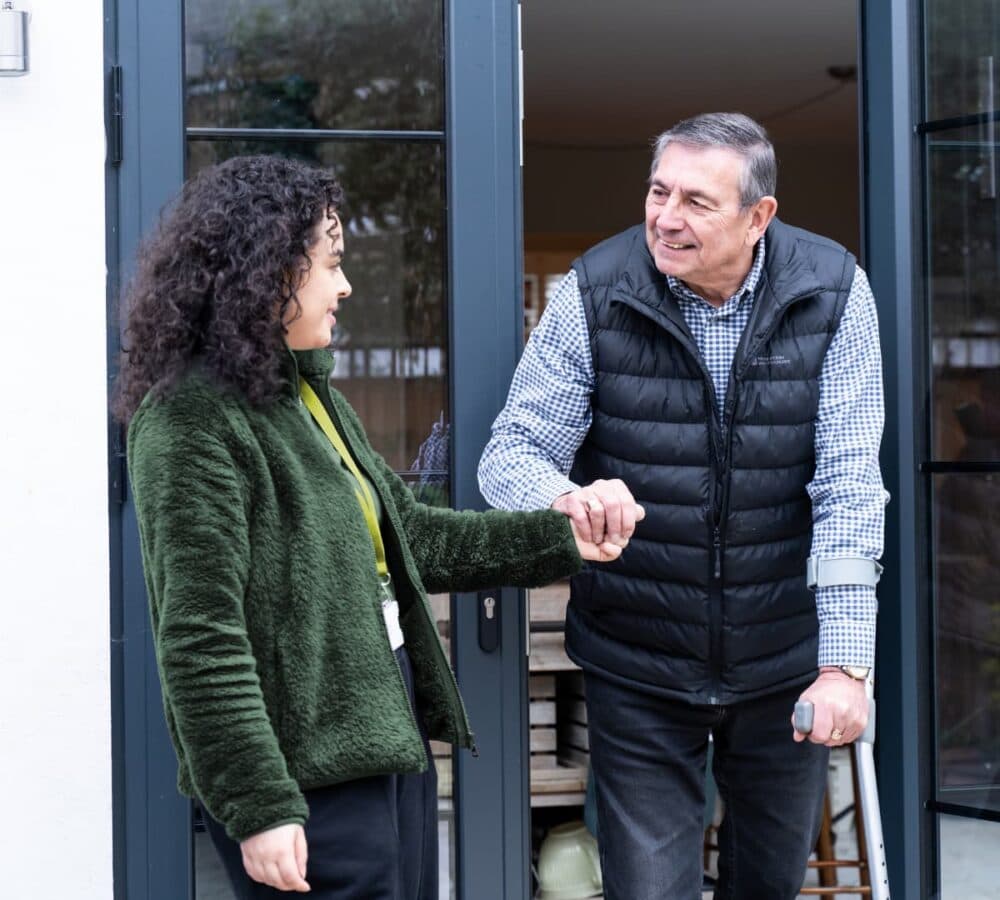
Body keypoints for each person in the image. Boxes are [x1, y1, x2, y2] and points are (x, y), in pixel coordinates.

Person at [114, 154, 629, 899]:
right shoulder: (190, 417)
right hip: (306, 776)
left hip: (386, 743)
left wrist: (559, 538)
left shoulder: (304, 396)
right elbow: (200, 636)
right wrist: (258, 805)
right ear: (267, 272)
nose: (345, 286)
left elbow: (412, 539)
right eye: (331, 263)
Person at [478, 112, 888, 899]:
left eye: (697, 201)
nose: (666, 217)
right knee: (649, 889)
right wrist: (567, 496)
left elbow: (847, 484)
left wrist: (843, 665)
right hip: (639, 656)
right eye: (658, 191)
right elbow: (511, 455)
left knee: (766, 883)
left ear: (758, 216)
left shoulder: (834, 290)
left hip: (784, 660)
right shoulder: (594, 291)